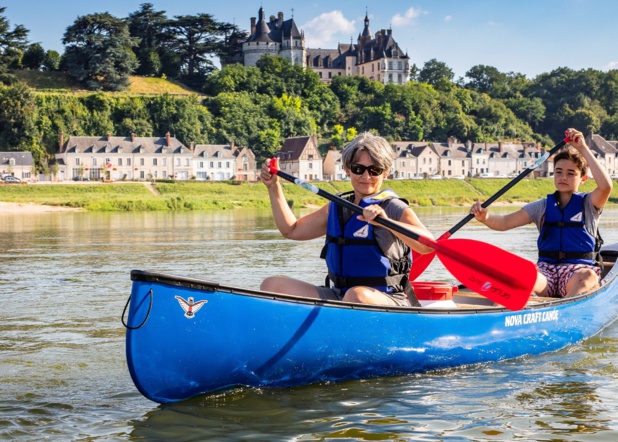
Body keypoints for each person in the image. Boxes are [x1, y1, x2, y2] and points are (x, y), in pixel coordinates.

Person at [260, 132, 435, 307]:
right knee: (272, 285)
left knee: (356, 295)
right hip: (339, 295)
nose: (366, 177)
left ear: (386, 172)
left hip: (385, 299)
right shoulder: (337, 207)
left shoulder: (394, 207)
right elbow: (291, 230)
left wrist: (387, 221)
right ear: (347, 169)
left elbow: (428, 245)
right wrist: (273, 187)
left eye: (375, 170)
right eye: (358, 169)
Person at [470, 128, 613, 298]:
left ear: (583, 178)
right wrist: (484, 217)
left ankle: (564, 310)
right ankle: (504, 313)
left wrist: (583, 148)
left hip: (577, 271)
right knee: (517, 273)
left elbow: (606, 187)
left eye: (570, 173)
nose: (563, 177)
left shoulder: (589, 203)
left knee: (588, 277)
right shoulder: (542, 206)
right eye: (559, 172)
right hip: (547, 273)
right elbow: (504, 223)